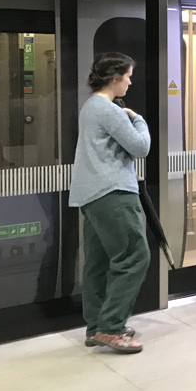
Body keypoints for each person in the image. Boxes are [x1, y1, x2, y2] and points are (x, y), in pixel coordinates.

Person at [69, 53, 151, 354]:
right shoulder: (111, 110)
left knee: (99, 263)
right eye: (128, 76)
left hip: (90, 195)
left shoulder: (90, 107)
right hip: (113, 193)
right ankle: (112, 328)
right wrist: (137, 118)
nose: (130, 81)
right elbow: (141, 147)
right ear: (115, 77)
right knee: (134, 256)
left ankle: (97, 326)